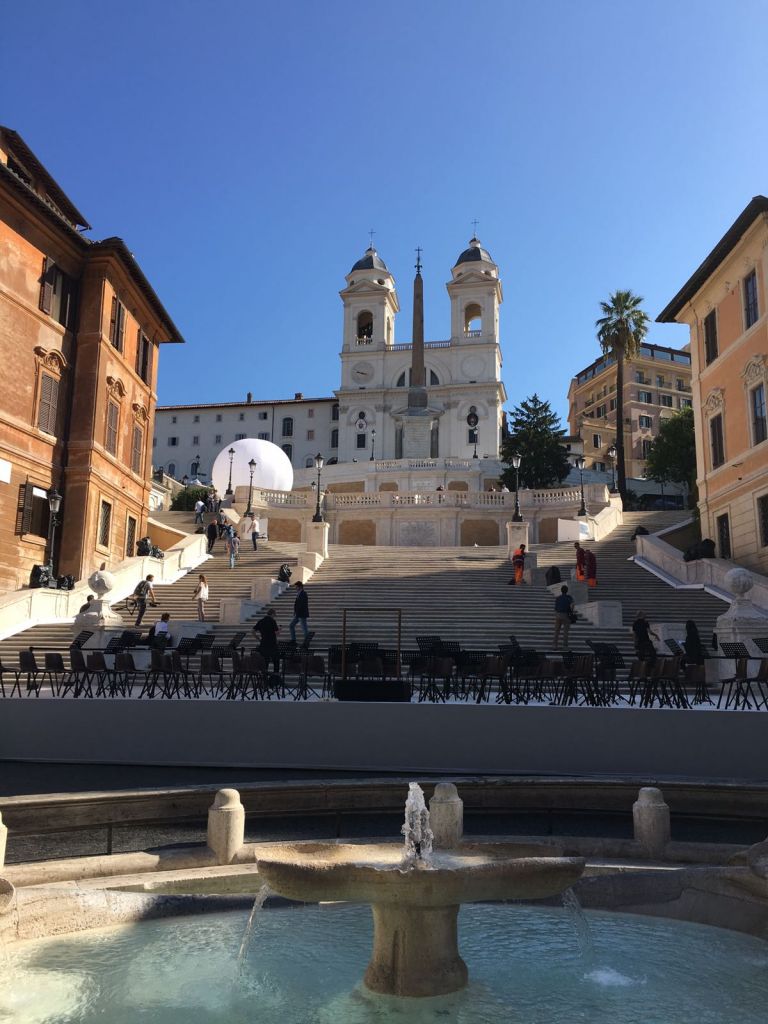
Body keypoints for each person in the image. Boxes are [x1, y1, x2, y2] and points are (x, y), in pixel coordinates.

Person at [254, 608, 280, 673]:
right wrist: (280, 629)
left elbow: (252, 631)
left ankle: (264, 678)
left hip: (263, 645)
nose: (275, 616)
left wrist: (259, 639)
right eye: (274, 614)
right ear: (272, 614)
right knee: (276, 662)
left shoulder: (261, 621)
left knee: (265, 663)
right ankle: (275, 678)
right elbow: (277, 633)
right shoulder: (273, 621)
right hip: (272, 645)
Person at [553, 585, 575, 650]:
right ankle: (565, 646)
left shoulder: (558, 598)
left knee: (557, 631)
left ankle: (554, 645)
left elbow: (556, 608)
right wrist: (571, 611)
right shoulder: (569, 597)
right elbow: (573, 604)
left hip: (558, 614)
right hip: (565, 615)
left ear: (561, 591)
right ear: (567, 591)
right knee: (565, 631)